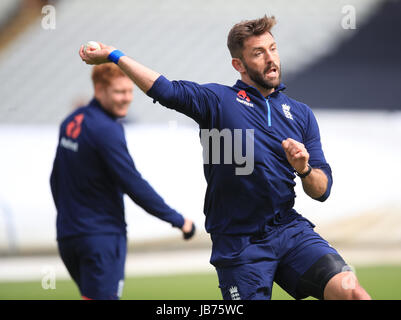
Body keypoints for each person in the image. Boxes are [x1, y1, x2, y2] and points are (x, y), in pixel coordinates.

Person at [78, 15, 371, 300]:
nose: (271, 59)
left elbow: (322, 191)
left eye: (273, 49)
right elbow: (165, 90)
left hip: (288, 230)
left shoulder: (301, 114)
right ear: (238, 64)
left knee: (350, 291)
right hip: (239, 243)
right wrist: (115, 56)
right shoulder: (217, 101)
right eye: (258, 53)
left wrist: (304, 169)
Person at [50, 63, 195, 300]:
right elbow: (133, 184)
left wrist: (69, 218)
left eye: (130, 91)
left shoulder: (72, 121)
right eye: (119, 92)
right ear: (99, 90)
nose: (127, 98)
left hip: (69, 238)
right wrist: (178, 220)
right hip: (101, 238)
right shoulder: (107, 130)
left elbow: (56, 178)